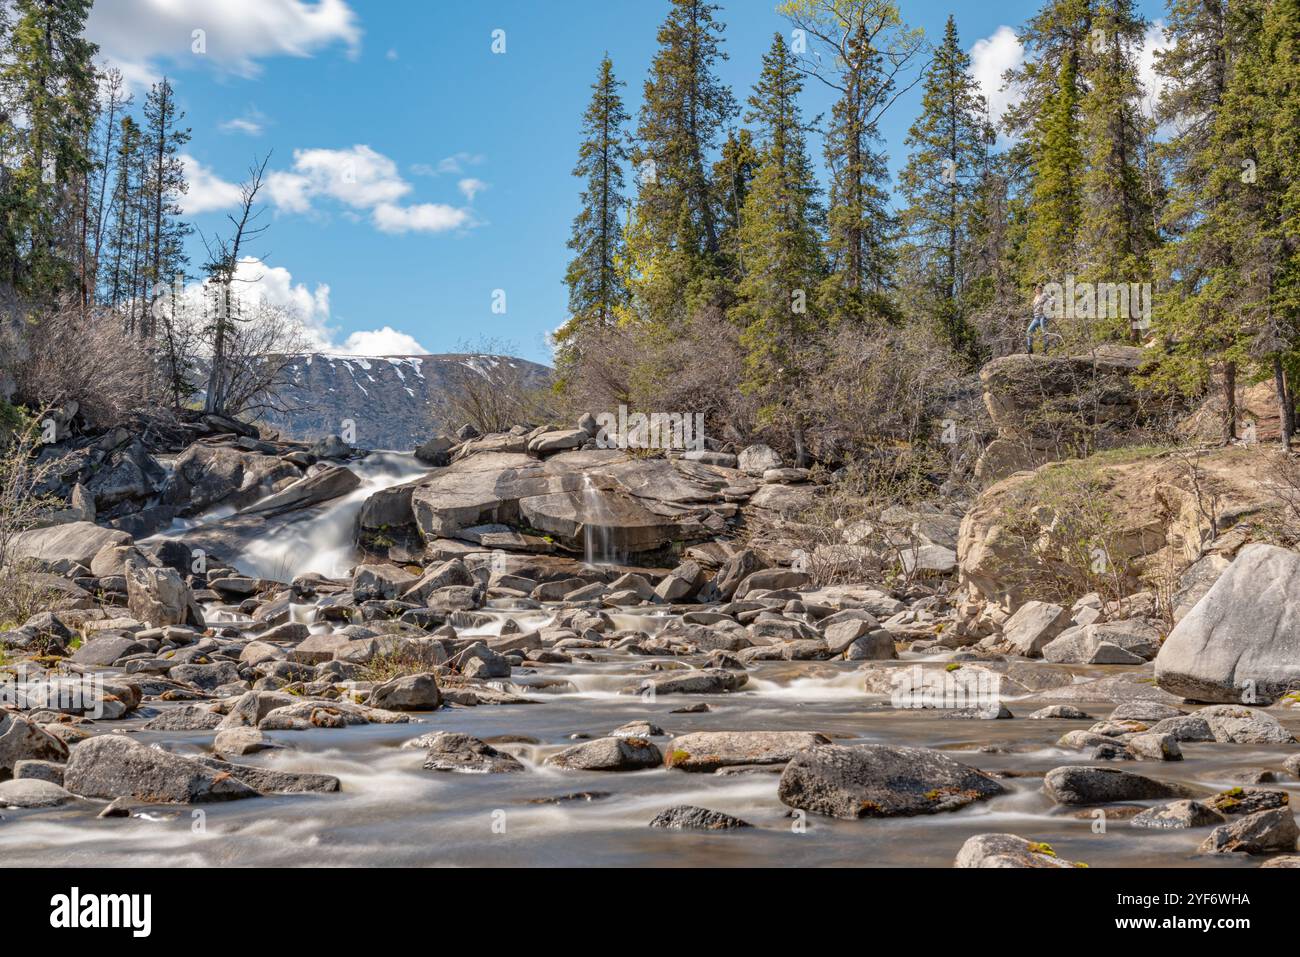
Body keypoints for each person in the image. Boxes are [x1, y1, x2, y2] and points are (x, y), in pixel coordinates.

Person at [1026, 283, 1049, 354]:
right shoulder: (1036, 296)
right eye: (1035, 288)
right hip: (1036, 317)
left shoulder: (1044, 295)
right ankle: (1030, 349)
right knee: (1029, 331)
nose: (1036, 289)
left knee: (1044, 332)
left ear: (1040, 288)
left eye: (1038, 288)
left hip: (1043, 316)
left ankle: (1045, 350)